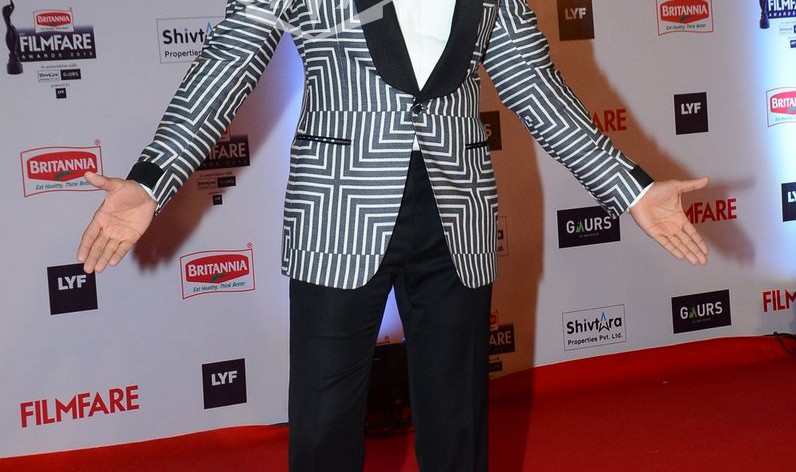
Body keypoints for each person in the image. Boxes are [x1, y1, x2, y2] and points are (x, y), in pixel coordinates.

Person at [77, 1, 709, 471]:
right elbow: (228, 62)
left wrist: (632, 190)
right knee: (324, 426)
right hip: (335, 216)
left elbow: (535, 85)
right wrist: (152, 179)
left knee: (458, 424)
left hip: (459, 216)